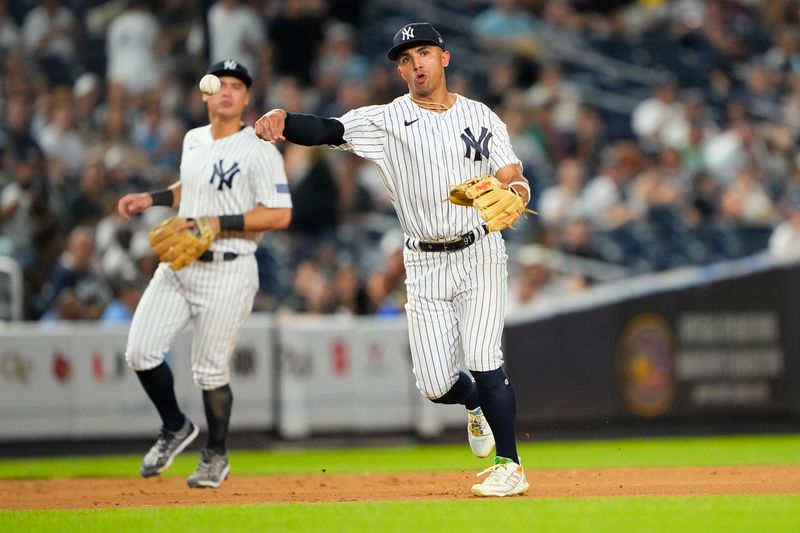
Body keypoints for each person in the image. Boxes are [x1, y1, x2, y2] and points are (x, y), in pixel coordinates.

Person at [256, 22, 531, 497]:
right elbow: (329, 129)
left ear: (444, 57)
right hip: (423, 262)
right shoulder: (386, 120)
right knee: (435, 382)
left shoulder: (481, 115)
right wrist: (285, 118)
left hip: (480, 250)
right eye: (405, 59)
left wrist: (519, 189)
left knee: (485, 356)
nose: (415, 64)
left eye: (423, 52)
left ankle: (511, 465)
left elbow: (510, 171)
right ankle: (474, 404)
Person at [117, 59, 292, 489]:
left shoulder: (259, 148)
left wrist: (216, 223)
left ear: (247, 97)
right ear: (207, 93)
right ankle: (175, 425)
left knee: (210, 373)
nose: (228, 91)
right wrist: (153, 198)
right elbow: (191, 188)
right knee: (140, 352)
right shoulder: (193, 140)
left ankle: (216, 454)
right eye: (222, 84)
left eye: (237, 85)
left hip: (229, 269)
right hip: (179, 266)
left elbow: (280, 214)